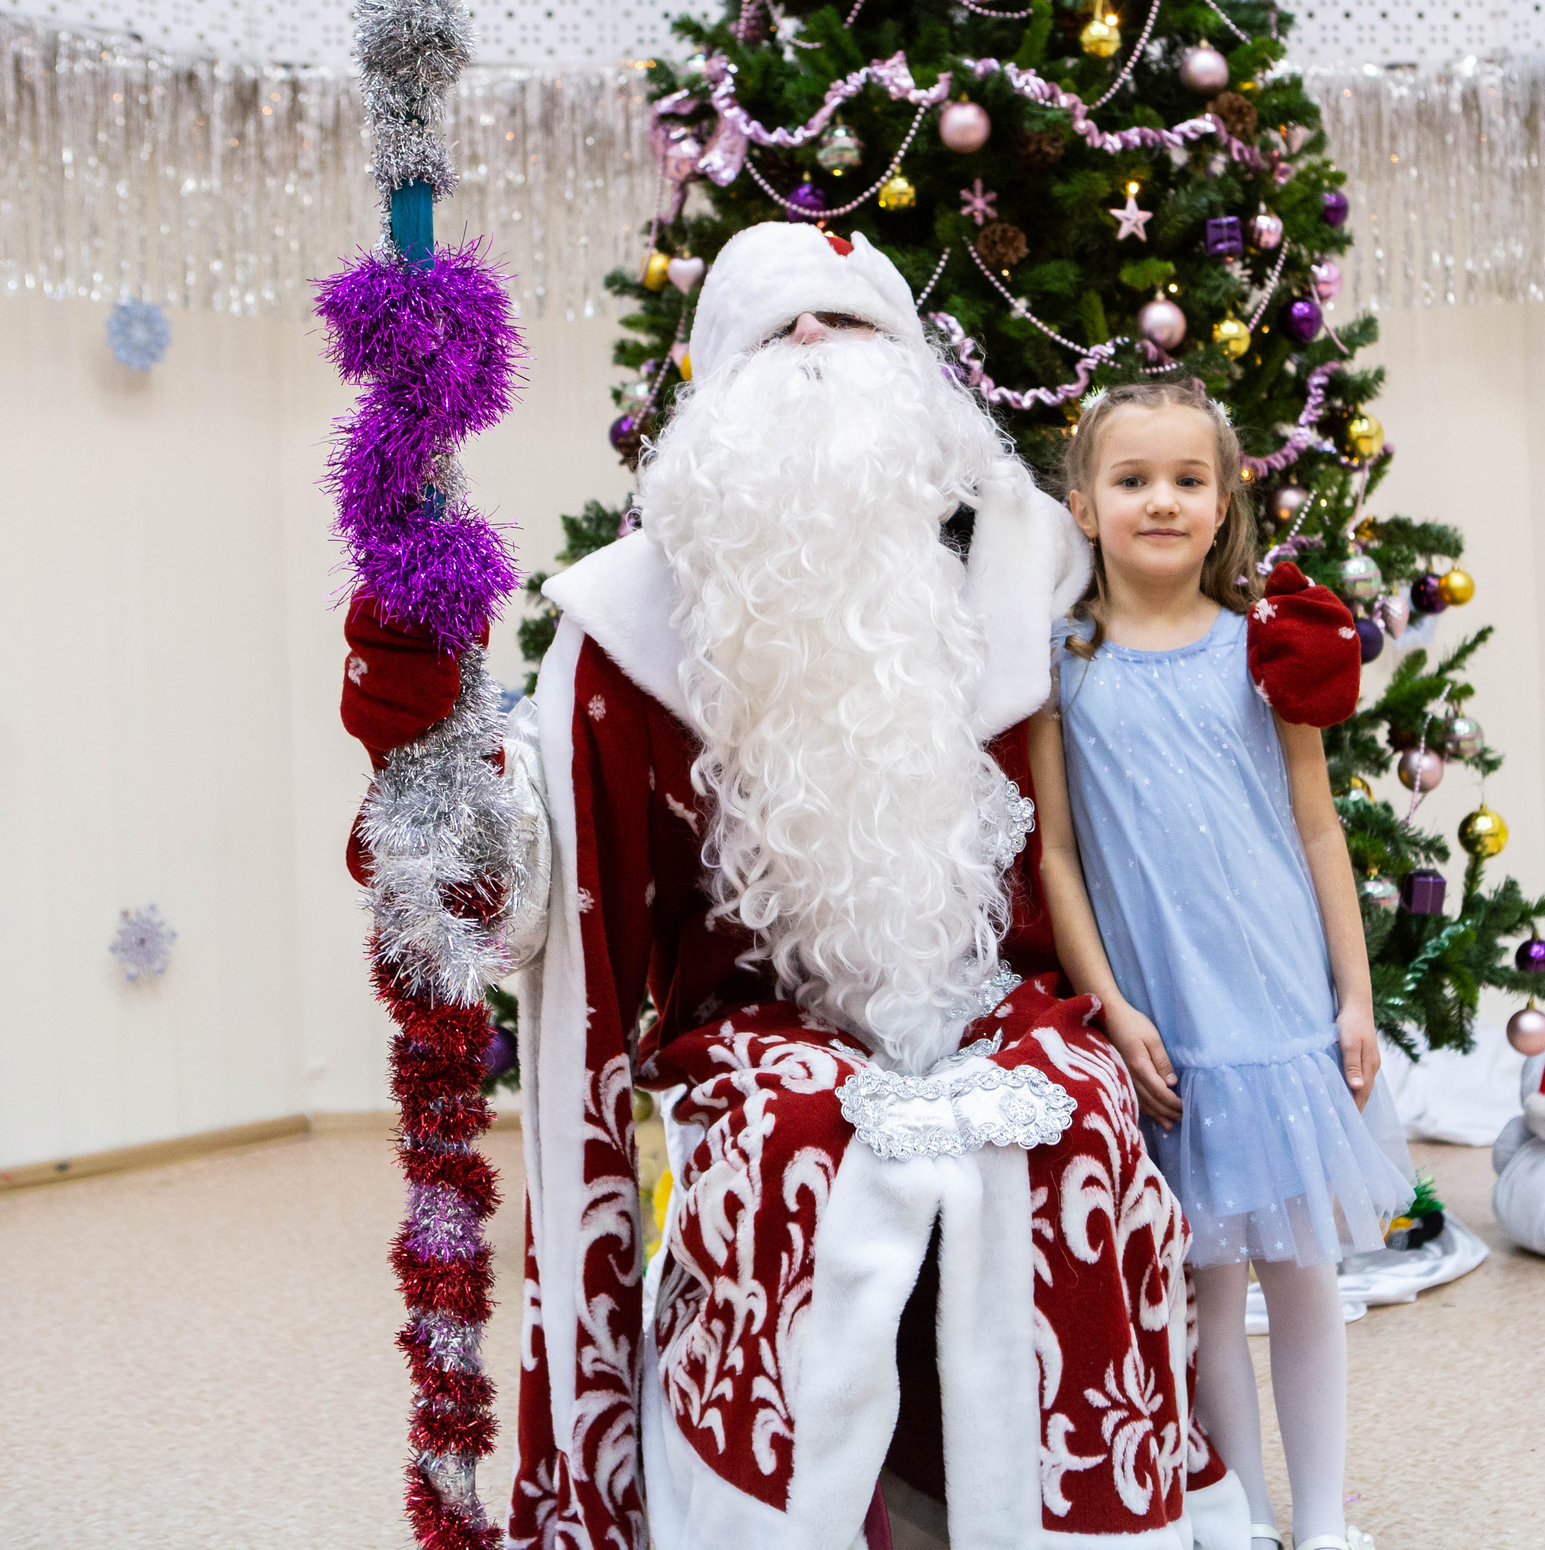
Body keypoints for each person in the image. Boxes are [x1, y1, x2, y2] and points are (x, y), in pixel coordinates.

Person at [341, 224, 1253, 1550]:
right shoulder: (629, 629)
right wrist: (419, 731)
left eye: (848, 321)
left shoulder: (1031, 567)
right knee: (801, 1136)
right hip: (760, 1020)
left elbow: (1162, 756)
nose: (815, 344)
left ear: (920, 375)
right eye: (776, 331)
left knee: (1075, 1116)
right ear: (716, 395)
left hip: (993, 996)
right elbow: (528, 892)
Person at [1028, 380, 1415, 1550]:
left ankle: (1326, 1518)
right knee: (1202, 1286)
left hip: (1283, 1008)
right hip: (1169, 1021)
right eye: (1131, 480)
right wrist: (1112, 1005)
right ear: (1083, 506)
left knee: (1299, 1272)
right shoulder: (1060, 660)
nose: (1161, 500)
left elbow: (1316, 826)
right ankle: (1236, 1508)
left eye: (1187, 480)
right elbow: (1055, 853)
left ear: (1225, 498)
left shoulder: (1271, 645)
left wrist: (1353, 993)